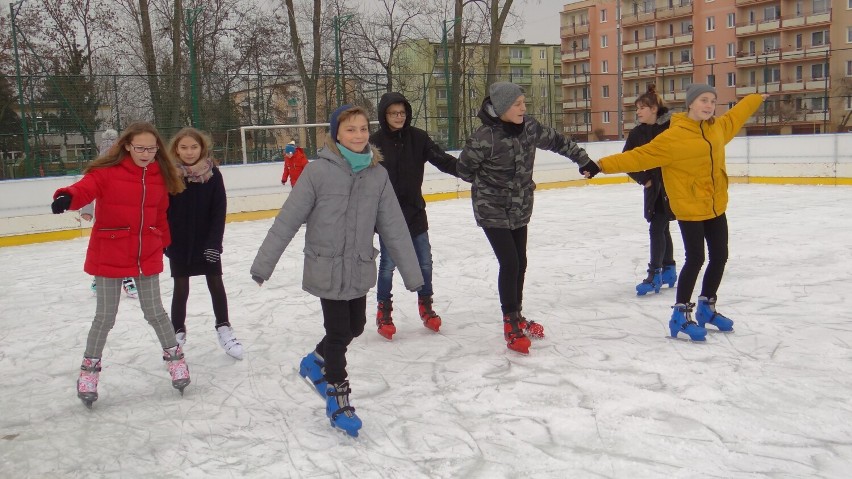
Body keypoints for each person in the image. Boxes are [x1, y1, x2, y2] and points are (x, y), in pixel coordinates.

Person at [250, 105, 423, 437]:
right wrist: (263, 266)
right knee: (338, 331)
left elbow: (394, 227)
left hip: (358, 265)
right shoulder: (318, 173)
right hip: (325, 266)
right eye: (349, 130)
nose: (358, 135)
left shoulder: (377, 175)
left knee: (354, 328)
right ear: (336, 135)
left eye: (362, 129)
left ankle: (314, 360)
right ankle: (337, 398)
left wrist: (413, 275)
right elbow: (287, 220)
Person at [596, 86, 768, 341]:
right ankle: (680, 315)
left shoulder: (717, 128)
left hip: (715, 204)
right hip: (689, 208)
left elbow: (736, 116)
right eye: (703, 100)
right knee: (696, 258)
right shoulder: (673, 137)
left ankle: (707, 308)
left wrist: (755, 98)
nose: (709, 105)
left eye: (712, 100)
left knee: (720, 256)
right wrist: (600, 165)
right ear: (690, 104)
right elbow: (638, 157)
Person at [50, 121, 191, 408]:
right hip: (110, 252)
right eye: (140, 148)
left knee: (156, 313)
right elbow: (84, 188)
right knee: (105, 317)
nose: (146, 153)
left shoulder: (160, 175)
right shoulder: (106, 173)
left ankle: (176, 360)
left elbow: (160, 213)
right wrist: (67, 197)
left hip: (146, 252)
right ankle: (88, 373)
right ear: (127, 145)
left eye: (151, 148)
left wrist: (165, 241)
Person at [457, 82, 600, 355]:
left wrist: (583, 160)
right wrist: (491, 184)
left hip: (520, 206)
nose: (524, 108)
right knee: (509, 261)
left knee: (520, 261)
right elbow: (464, 170)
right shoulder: (484, 137)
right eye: (517, 104)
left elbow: (558, 141)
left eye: (524, 102)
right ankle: (510, 321)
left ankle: (517, 315)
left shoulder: (530, 128)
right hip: (491, 208)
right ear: (501, 108)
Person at [369, 91, 460, 340]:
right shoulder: (374, 143)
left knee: (425, 262)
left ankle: (426, 305)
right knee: (388, 266)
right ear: (384, 115)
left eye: (402, 112)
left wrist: (467, 170)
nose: (399, 117)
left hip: (415, 213)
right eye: (393, 113)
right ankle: (383, 311)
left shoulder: (418, 138)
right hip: (388, 217)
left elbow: (441, 159)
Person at [166, 127, 243, 360]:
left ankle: (224, 327)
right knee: (180, 289)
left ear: (202, 148)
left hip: (207, 241)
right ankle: (176, 333)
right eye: (184, 147)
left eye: (194, 147)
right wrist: (165, 242)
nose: (189, 152)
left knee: (216, 284)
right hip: (179, 243)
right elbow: (162, 210)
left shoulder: (213, 174)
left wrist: (214, 243)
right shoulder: (169, 175)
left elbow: (219, 211)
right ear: (176, 149)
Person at [622, 85, 678, 296]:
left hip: (672, 186)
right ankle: (669, 269)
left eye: (642, 108)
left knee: (657, 228)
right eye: (637, 108)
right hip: (654, 187)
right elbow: (626, 159)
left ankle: (655, 274)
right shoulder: (638, 133)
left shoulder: (672, 127)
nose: (638, 112)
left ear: (654, 108)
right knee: (661, 228)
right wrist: (643, 178)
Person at [81, 129, 138, 299]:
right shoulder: (97, 171)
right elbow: (86, 190)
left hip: (126, 218)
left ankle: (127, 277)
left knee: (127, 248)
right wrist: (87, 210)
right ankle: (99, 278)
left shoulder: (128, 169)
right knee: (104, 250)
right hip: (105, 219)